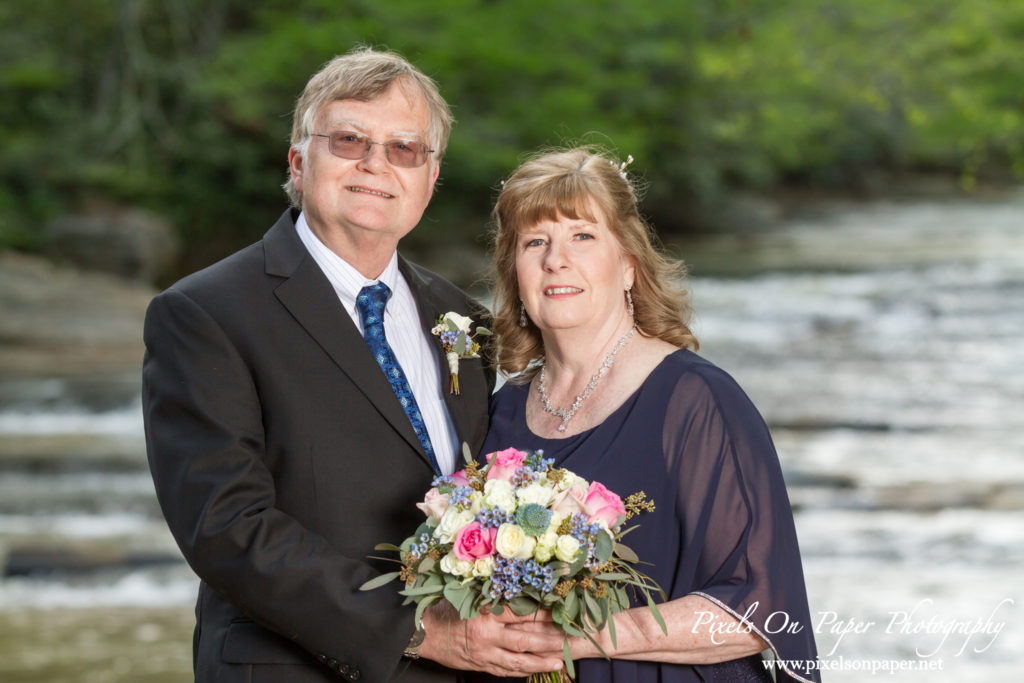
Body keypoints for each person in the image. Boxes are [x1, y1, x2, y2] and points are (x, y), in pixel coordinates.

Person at [142, 47, 565, 682]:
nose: (375, 164)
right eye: (348, 140)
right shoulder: (205, 313)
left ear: (430, 178)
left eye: (404, 149)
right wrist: (418, 630)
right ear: (297, 159)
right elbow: (226, 528)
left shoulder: (464, 320)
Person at [469, 147, 820, 682]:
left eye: (582, 236)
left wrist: (579, 637)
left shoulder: (698, 401)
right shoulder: (502, 411)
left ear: (629, 264)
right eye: (534, 242)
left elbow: (758, 612)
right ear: (514, 271)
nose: (555, 260)